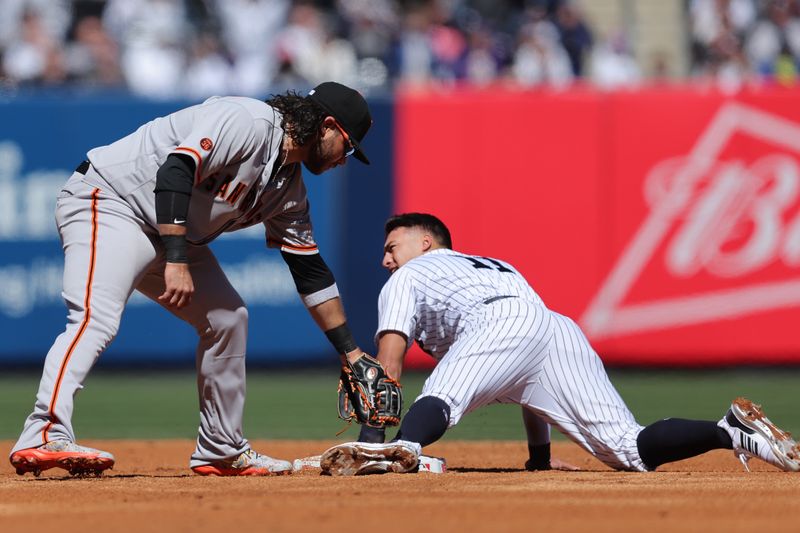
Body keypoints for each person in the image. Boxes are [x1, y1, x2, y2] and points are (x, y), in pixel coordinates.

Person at [10, 81, 378, 477]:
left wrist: (349, 352)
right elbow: (175, 170)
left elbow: (309, 271)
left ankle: (221, 448)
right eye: (349, 145)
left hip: (167, 231)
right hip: (111, 201)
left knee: (228, 317)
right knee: (94, 317)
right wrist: (177, 258)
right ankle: (43, 431)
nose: (345, 159)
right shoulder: (249, 121)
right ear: (326, 125)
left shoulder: (287, 189)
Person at [320, 213, 800, 476]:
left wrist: (372, 439)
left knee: (440, 398)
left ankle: (391, 454)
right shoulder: (494, 264)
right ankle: (729, 431)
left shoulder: (412, 274)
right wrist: (541, 459)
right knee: (628, 451)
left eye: (392, 247)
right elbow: (525, 363)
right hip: (553, 327)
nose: (385, 259)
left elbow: (388, 363)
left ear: (426, 243)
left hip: (502, 323)